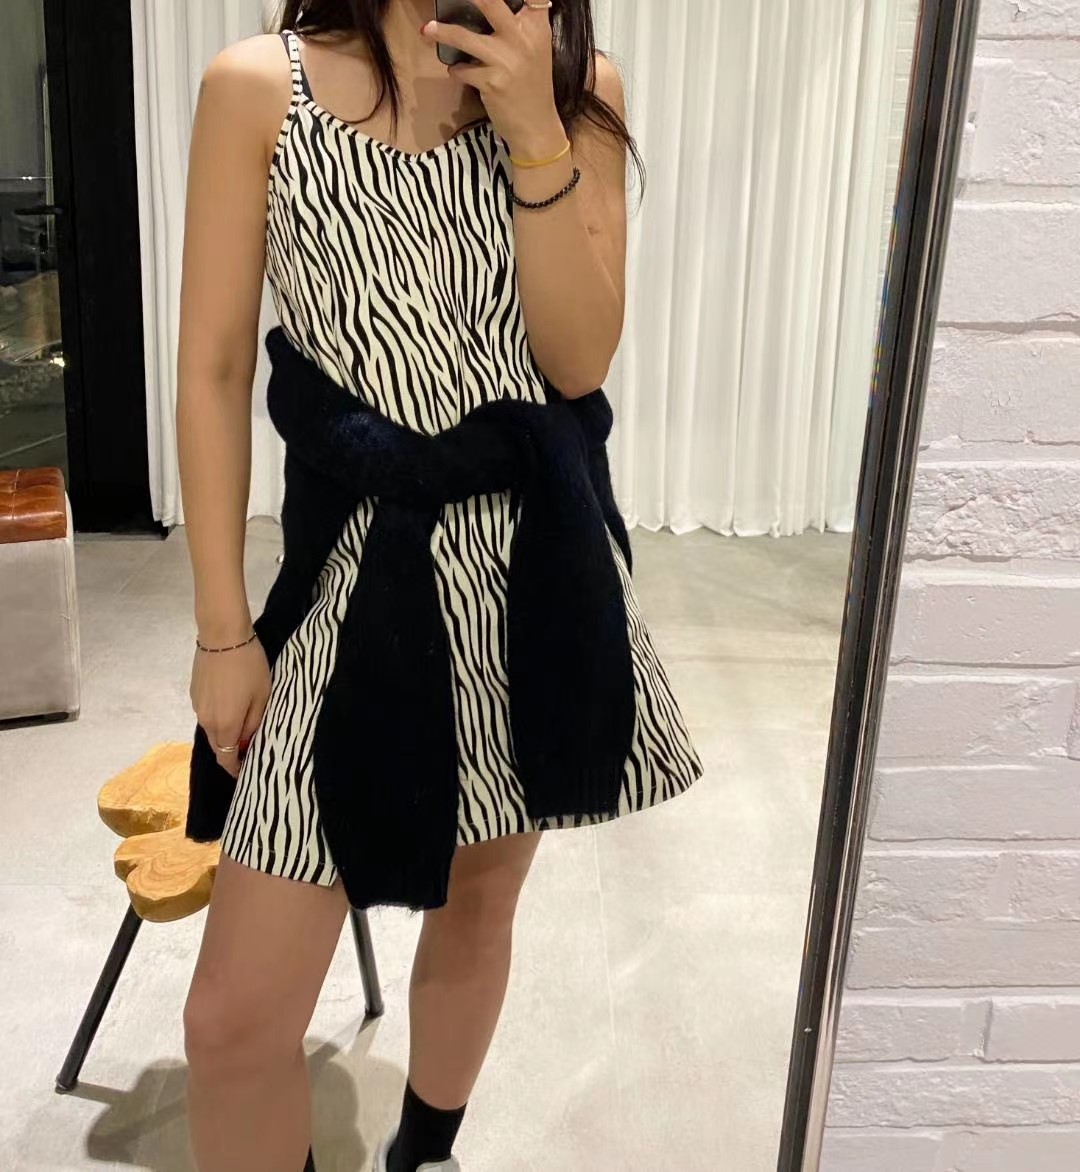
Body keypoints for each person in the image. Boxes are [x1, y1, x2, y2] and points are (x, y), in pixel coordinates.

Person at [175, 1, 702, 1169]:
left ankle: (422, 1151)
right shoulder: (261, 89)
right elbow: (212, 368)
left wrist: (533, 129)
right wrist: (221, 628)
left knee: (479, 901)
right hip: (353, 572)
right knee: (231, 1023)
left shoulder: (577, 89)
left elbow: (577, 360)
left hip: (530, 572)